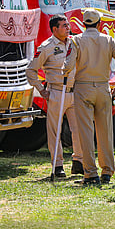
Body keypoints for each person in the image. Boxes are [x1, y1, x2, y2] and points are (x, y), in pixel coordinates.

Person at [63, 9, 115, 185]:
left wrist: (65, 73)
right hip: (103, 87)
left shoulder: (75, 41)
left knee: (85, 132)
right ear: (99, 23)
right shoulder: (108, 40)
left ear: (84, 24)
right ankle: (107, 172)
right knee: (105, 131)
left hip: (83, 88)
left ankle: (90, 173)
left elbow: (68, 65)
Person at [26, 15, 83, 177]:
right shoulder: (47, 47)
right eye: (64, 25)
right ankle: (58, 165)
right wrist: (41, 89)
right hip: (57, 92)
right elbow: (31, 70)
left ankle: (78, 161)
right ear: (54, 29)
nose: (67, 28)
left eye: (68, 25)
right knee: (55, 130)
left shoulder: (74, 43)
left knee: (78, 129)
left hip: (75, 92)